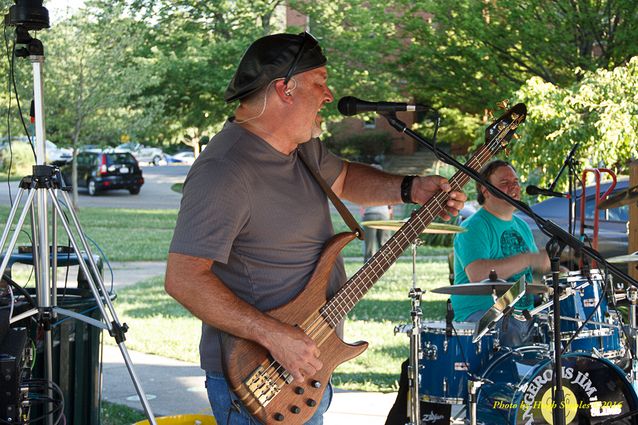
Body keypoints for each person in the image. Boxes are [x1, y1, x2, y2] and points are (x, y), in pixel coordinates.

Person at [164, 32, 466, 425]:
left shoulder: (302, 150)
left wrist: (410, 187)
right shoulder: (226, 170)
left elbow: (345, 180)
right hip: (257, 380)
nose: (328, 95)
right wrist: (273, 335)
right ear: (284, 89)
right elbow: (184, 278)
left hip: (305, 372)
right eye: (319, 82)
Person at [451, 159, 550, 347]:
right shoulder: (474, 227)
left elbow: (532, 275)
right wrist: (527, 258)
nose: (514, 187)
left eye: (515, 182)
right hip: (484, 318)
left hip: (523, 314)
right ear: (485, 191)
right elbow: (478, 274)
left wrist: (554, 272)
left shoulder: (521, 225)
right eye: (505, 183)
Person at [362, 164, 393, 261]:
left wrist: (363, 214)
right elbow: (390, 204)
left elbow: (361, 203)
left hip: (369, 215)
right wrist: (390, 216)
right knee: (384, 242)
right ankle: (385, 262)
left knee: (369, 243)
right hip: (383, 215)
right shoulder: (387, 185)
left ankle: (368, 263)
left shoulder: (365, 185)